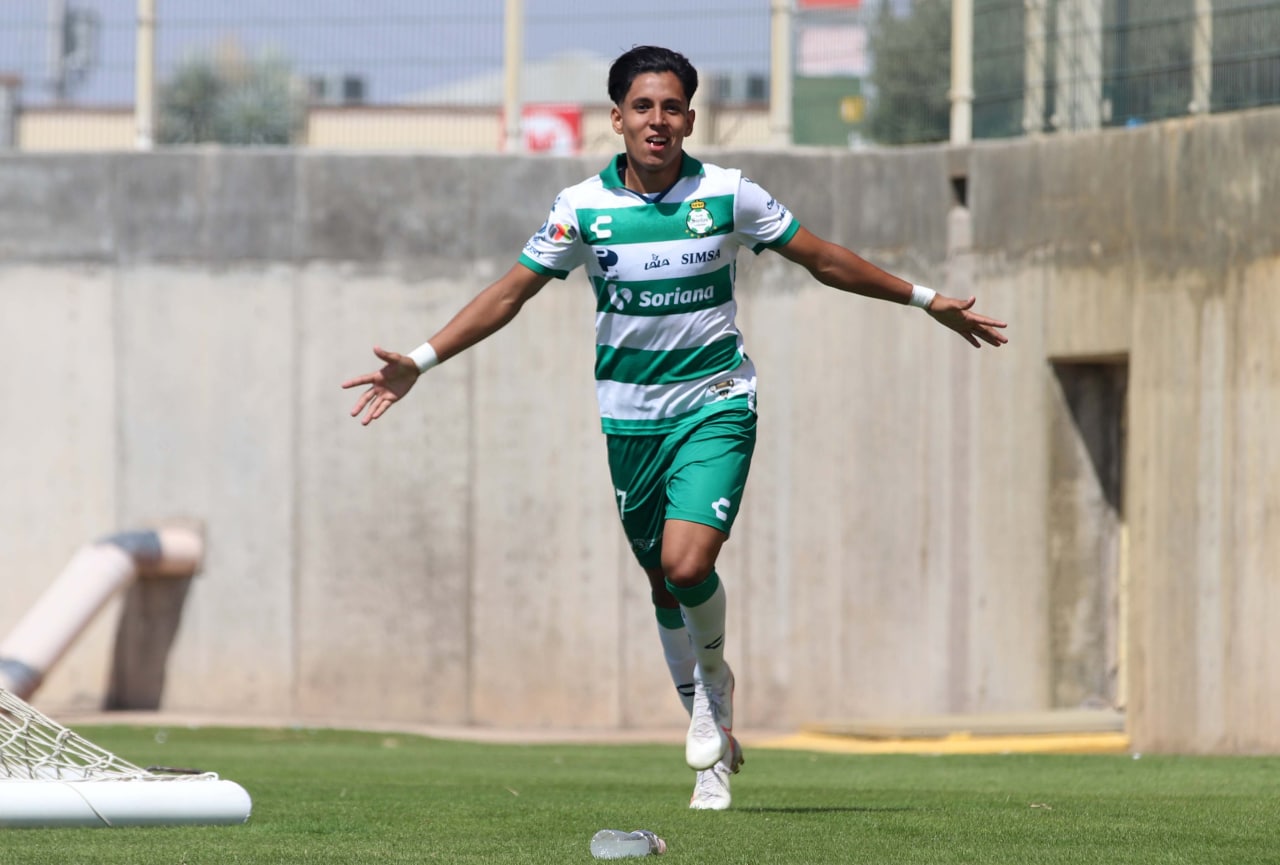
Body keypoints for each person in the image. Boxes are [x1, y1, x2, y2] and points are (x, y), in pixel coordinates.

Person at [343, 45, 1008, 811]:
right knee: (662, 582)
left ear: (690, 119)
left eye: (671, 107)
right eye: (643, 107)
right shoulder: (581, 208)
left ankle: (713, 689)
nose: (657, 120)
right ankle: (713, 750)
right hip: (630, 423)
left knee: (687, 564)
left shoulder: (727, 195)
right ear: (617, 118)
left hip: (716, 402)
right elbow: (509, 293)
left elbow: (822, 258)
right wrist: (421, 360)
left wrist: (926, 299)